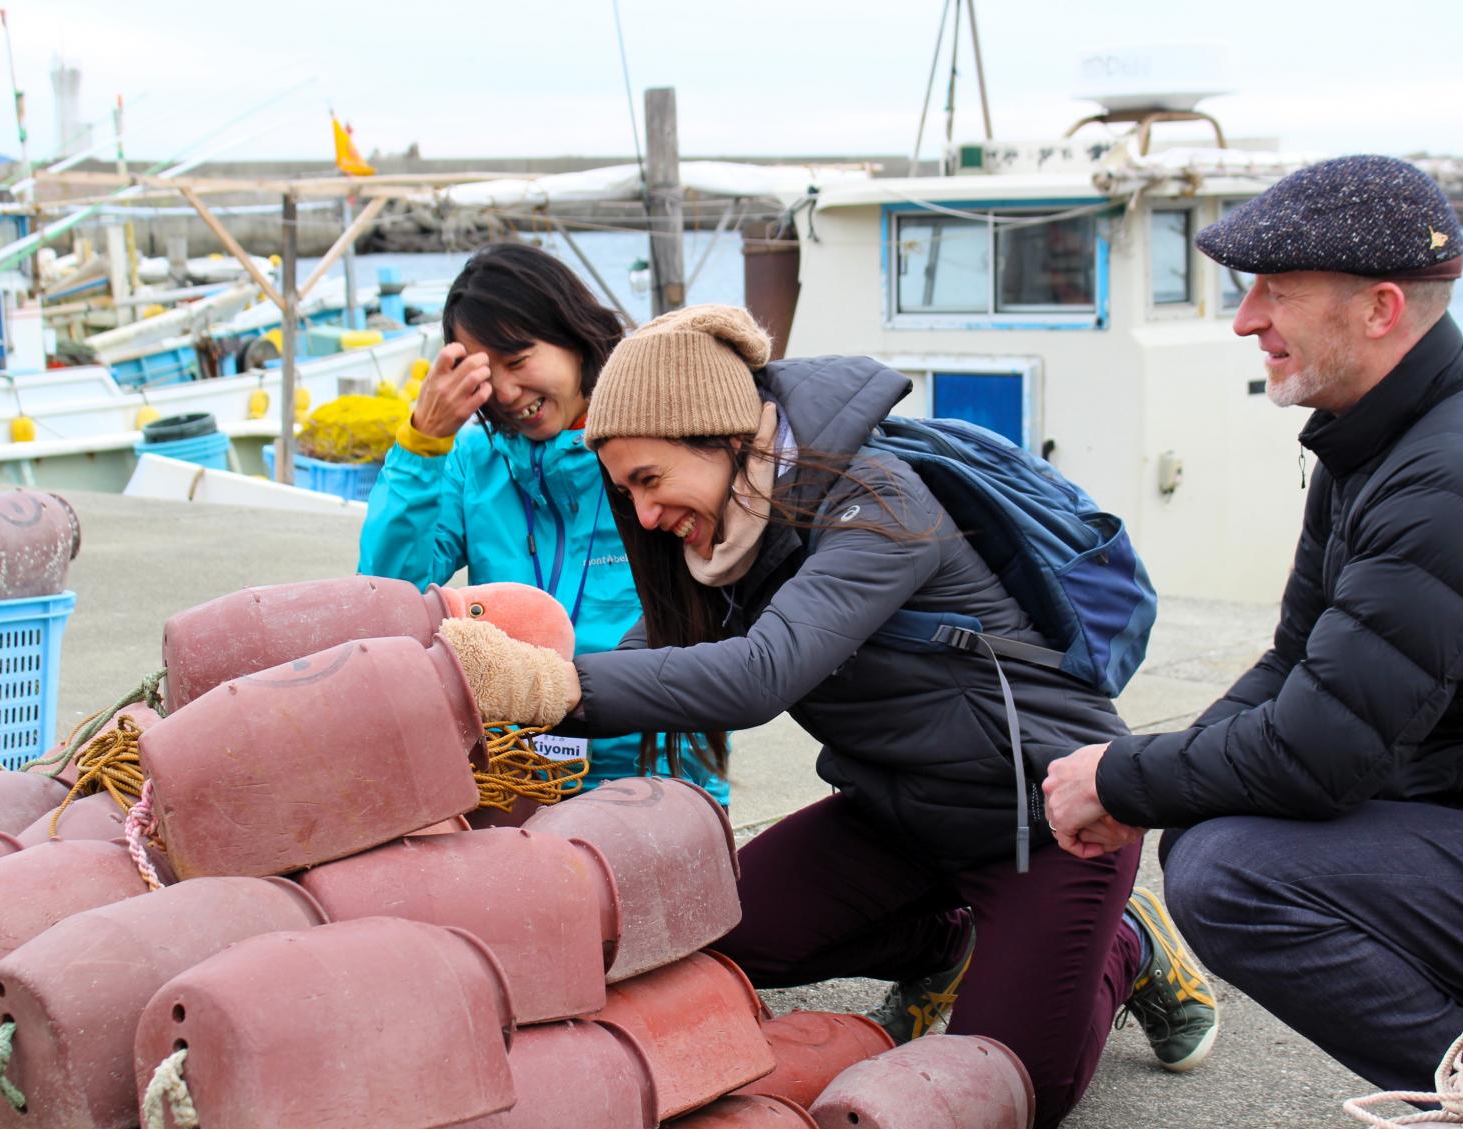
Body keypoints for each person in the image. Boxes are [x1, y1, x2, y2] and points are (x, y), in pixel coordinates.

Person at [439, 304, 1218, 1127]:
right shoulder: (729, 542)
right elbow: (650, 664)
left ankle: (1123, 946)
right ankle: (948, 943)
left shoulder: (878, 502)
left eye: (650, 480)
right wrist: (506, 724)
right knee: (713, 936)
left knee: (1011, 1089)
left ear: (718, 435)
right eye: (626, 490)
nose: (644, 515)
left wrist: (546, 684)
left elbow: (758, 674)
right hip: (896, 814)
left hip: (1043, 817)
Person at [1041, 155, 1463, 1093]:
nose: (1244, 319)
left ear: (1379, 309)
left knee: (1234, 872)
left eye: (1274, 290)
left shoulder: (1460, 471)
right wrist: (1141, 772)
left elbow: (1322, 752)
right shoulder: (1380, 434)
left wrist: (1127, 777)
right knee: (1213, 825)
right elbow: (1293, 664)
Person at [357, 242, 727, 804]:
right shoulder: (472, 460)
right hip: (512, 778)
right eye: (485, 372)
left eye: (518, 359)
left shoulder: (653, 444)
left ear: (573, 337)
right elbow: (387, 599)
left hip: (656, 776)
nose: (506, 393)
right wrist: (421, 446)